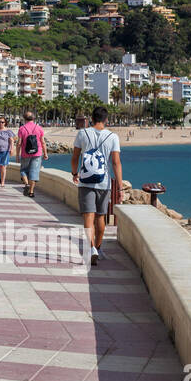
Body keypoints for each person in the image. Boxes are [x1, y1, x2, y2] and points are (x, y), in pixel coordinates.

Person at [71, 105, 122, 267]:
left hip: (85, 181)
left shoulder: (82, 133)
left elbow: (75, 158)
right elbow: (116, 162)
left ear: (91, 118)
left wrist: (74, 173)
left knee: (88, 216)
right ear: (106, 120)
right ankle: (98, 248)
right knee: (101, 217)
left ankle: (91, 248)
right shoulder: (113, 137)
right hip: (104, 182)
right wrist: (119, 186)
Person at [16, 110, 46, 198]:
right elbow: (43, 142)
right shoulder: (39, 128)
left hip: (25, 153)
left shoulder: (22, 128)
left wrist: (17, 155)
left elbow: (18, 143)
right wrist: (45, 153)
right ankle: (31, 192)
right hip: (37, 153)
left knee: (23, 170)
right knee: (34, 172)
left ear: (24, 118)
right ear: (34, 118)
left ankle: (26, 184)